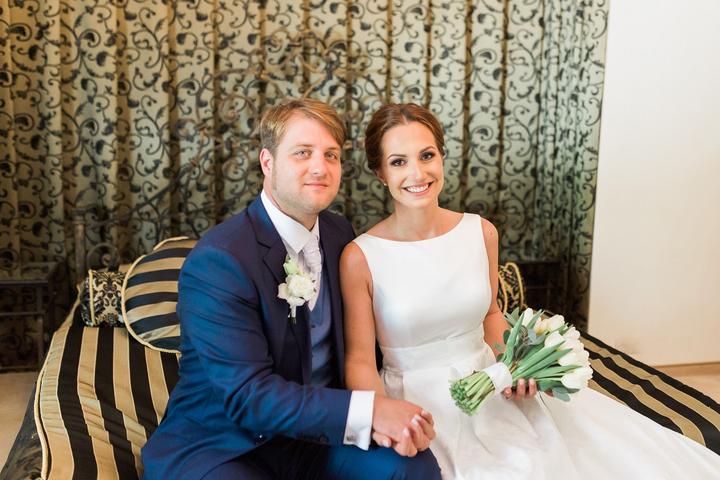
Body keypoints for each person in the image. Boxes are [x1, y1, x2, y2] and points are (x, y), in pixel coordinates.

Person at [340, 103, 720, 479]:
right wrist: (383, 418)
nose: (418, 173)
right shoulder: (361, 256)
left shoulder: (480, 232)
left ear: (441, 156)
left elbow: (491, 315)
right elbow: (360, 359)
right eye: (399, 161)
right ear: (380, 172)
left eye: (427, 156)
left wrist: (515, 364)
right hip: (416, 401)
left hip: (491, 384)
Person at [141, 99, 441, 479]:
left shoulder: (340, 235)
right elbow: (248, 397)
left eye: (331, 155)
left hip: (319, 439)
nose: (320, 167)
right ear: (267, 162)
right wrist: (371, 411)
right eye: (302, 152)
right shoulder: (219, 260)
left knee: (412, 468)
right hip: (226, 444)